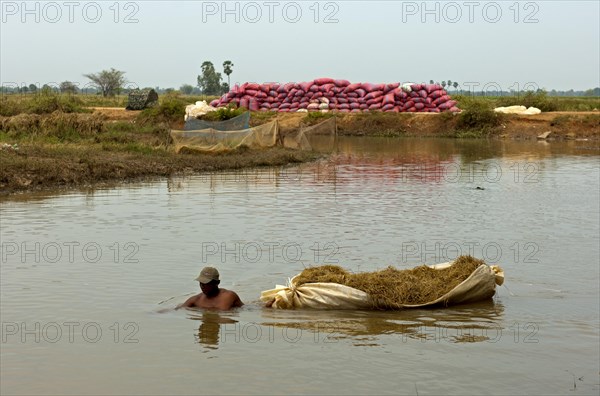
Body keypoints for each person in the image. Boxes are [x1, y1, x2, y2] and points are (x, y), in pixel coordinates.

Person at [177, 267, 243, 310]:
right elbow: (178, 309)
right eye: (201, 283)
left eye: (206, 283)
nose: (202, 286)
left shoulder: (228, 296)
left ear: (217, 283)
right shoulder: (196, 299)